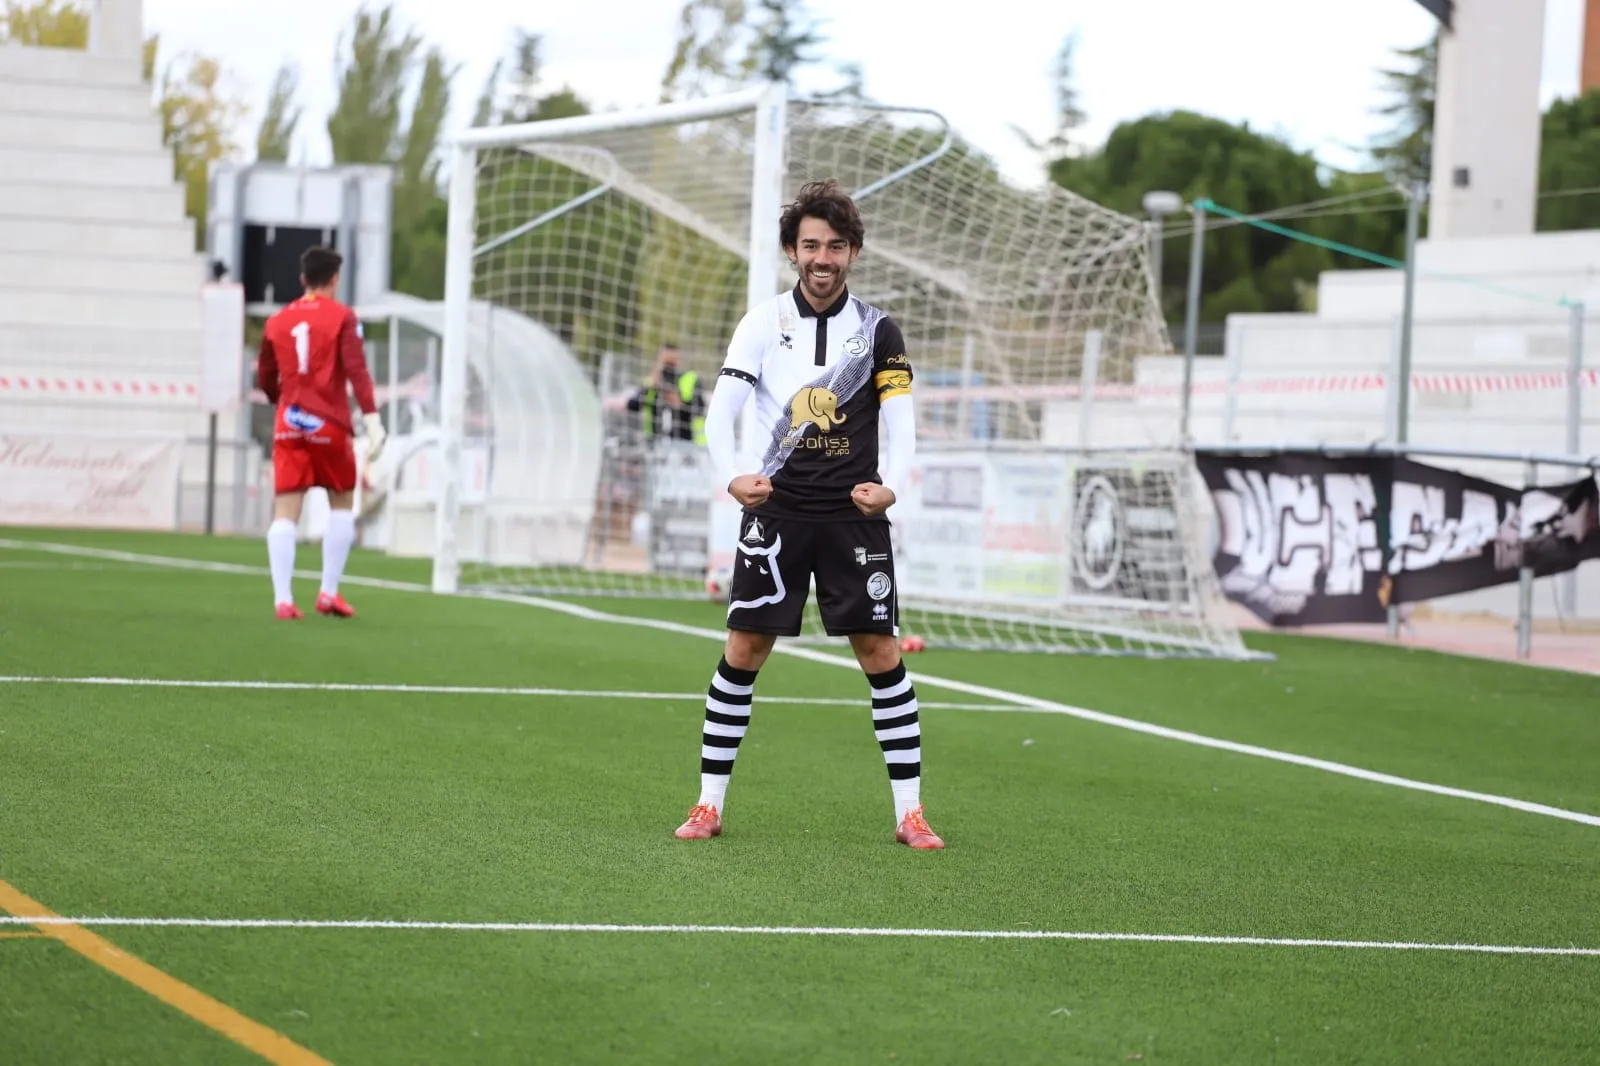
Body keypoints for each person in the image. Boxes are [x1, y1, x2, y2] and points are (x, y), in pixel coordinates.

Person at [673, 179, 941, 849]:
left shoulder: (880, 331)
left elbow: (903, 423)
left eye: (837, 247)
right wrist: (731, 475)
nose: (824, 258)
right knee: (745, 649)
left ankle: (910, 814)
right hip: (780, 514)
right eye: (811, 245)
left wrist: (893, 486)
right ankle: (708, 805)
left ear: (853, 253)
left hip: (854, 518)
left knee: (880, 652)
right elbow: (721, 415)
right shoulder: (763, 323)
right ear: (793, 251)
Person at [255, 246, 386, 620]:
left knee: (285, 509)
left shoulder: (277, 321)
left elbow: (265, 376)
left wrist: (283, 401)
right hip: (329, 422)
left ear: (302, 279)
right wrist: (373, 420)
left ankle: (283, 600)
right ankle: (328, 593)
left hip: (290, 423)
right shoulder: (343, 317)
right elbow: (357, 371)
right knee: (342, 503)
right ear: (334, 279)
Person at [626, 343, 706, 445]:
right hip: (654, 443)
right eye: (666, 362)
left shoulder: (690, 380)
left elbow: (700, 410)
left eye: (672, 362)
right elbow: (631, 406)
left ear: (679, 361)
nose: (669, 368)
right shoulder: (651, 382)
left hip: (685, 443)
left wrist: (680, 404)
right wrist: (648, 388)